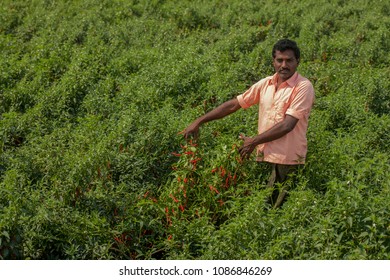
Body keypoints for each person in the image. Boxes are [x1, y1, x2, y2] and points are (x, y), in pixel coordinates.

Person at [180, 39, 315, 208]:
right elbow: (235, 104)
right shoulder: (266, 83)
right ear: (273, 61)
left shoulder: (303, 87)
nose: (284, 65)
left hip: (287, 160)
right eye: (279, 60)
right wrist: (199, 121)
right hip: (264, 155)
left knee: (277, 210)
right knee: (259, 206)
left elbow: (288, 125)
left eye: (289, 60)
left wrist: (254, 141)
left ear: (297, 62)